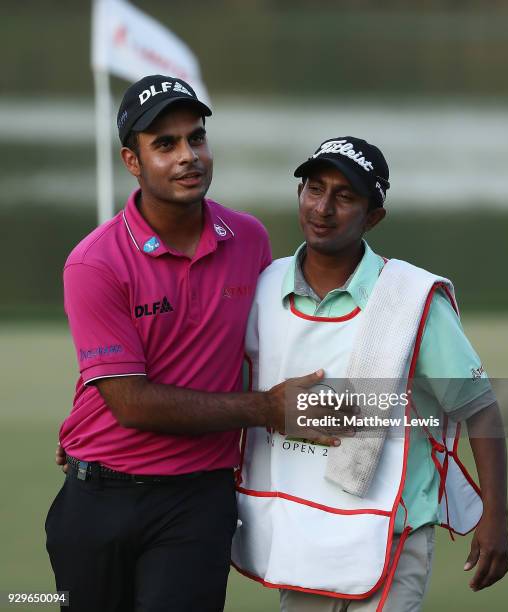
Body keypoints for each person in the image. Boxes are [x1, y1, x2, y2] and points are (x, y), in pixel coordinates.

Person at [46, 75, 339, 612]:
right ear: (131, 162)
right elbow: (129, 402)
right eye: (165, 144)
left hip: (197, 496)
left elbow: (267, 346)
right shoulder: (94, 262)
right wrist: (270, 409)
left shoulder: (249, 239)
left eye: (196, 138)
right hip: (99, 497)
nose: (189, 156)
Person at [231, 137, 508, 611]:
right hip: (300, 527)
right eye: (314, 189)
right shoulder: (261, 288)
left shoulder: (410, 298)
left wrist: (495, 517)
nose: (323, 207)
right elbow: (219, 394)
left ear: (373, 215)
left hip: (393, 530)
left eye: (345, 197)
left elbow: (479, 409)